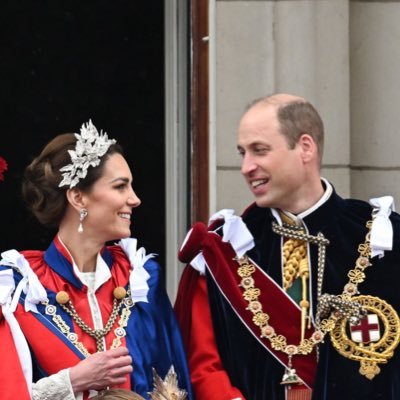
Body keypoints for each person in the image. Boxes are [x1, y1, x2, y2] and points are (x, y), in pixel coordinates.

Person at [175, 94, 400, 400]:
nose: (245, 167)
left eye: (259, 151)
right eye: (242, 153)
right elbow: (203, 367)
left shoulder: (383, 239)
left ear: (305, 148)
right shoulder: (223, 249)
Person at [0, 120, 192, 400]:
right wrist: (72, 381)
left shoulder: (140, 278)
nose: (135, 199)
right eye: (120, 187)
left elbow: (175, 381)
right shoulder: (19, 289)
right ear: (78, 197)